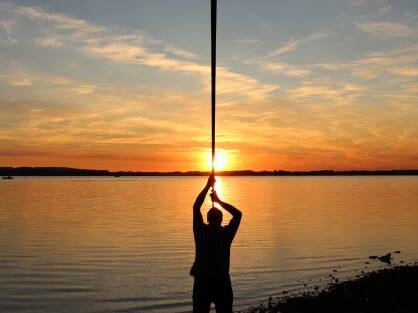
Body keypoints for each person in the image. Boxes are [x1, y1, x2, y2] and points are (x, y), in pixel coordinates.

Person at [190, 175, 242, 313]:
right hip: (220, 280)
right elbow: (238, 214)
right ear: (221, 219)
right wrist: (219, 201)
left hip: (204, 281)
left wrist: (208, 185)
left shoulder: (201, 231)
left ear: (207, 219)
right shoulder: (226, 234)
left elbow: (196, 206)